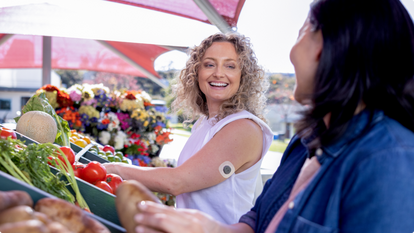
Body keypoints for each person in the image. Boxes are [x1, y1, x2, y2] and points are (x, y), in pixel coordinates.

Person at [126, 0, 414, 232]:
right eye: (209, 64)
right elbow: (258, 221)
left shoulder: (389, 160)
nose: (291, 52)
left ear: (332, 48)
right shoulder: (306, 143)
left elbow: (177, 181)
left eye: (302, 33)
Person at [104, 33, 274, 224]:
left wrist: (114, 168)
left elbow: (177, 181)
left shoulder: (243, 128)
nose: (218, 73)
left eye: (230, 65)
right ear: (196, 72)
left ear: (243, 76)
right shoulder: (205, 123)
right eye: (209, 64)